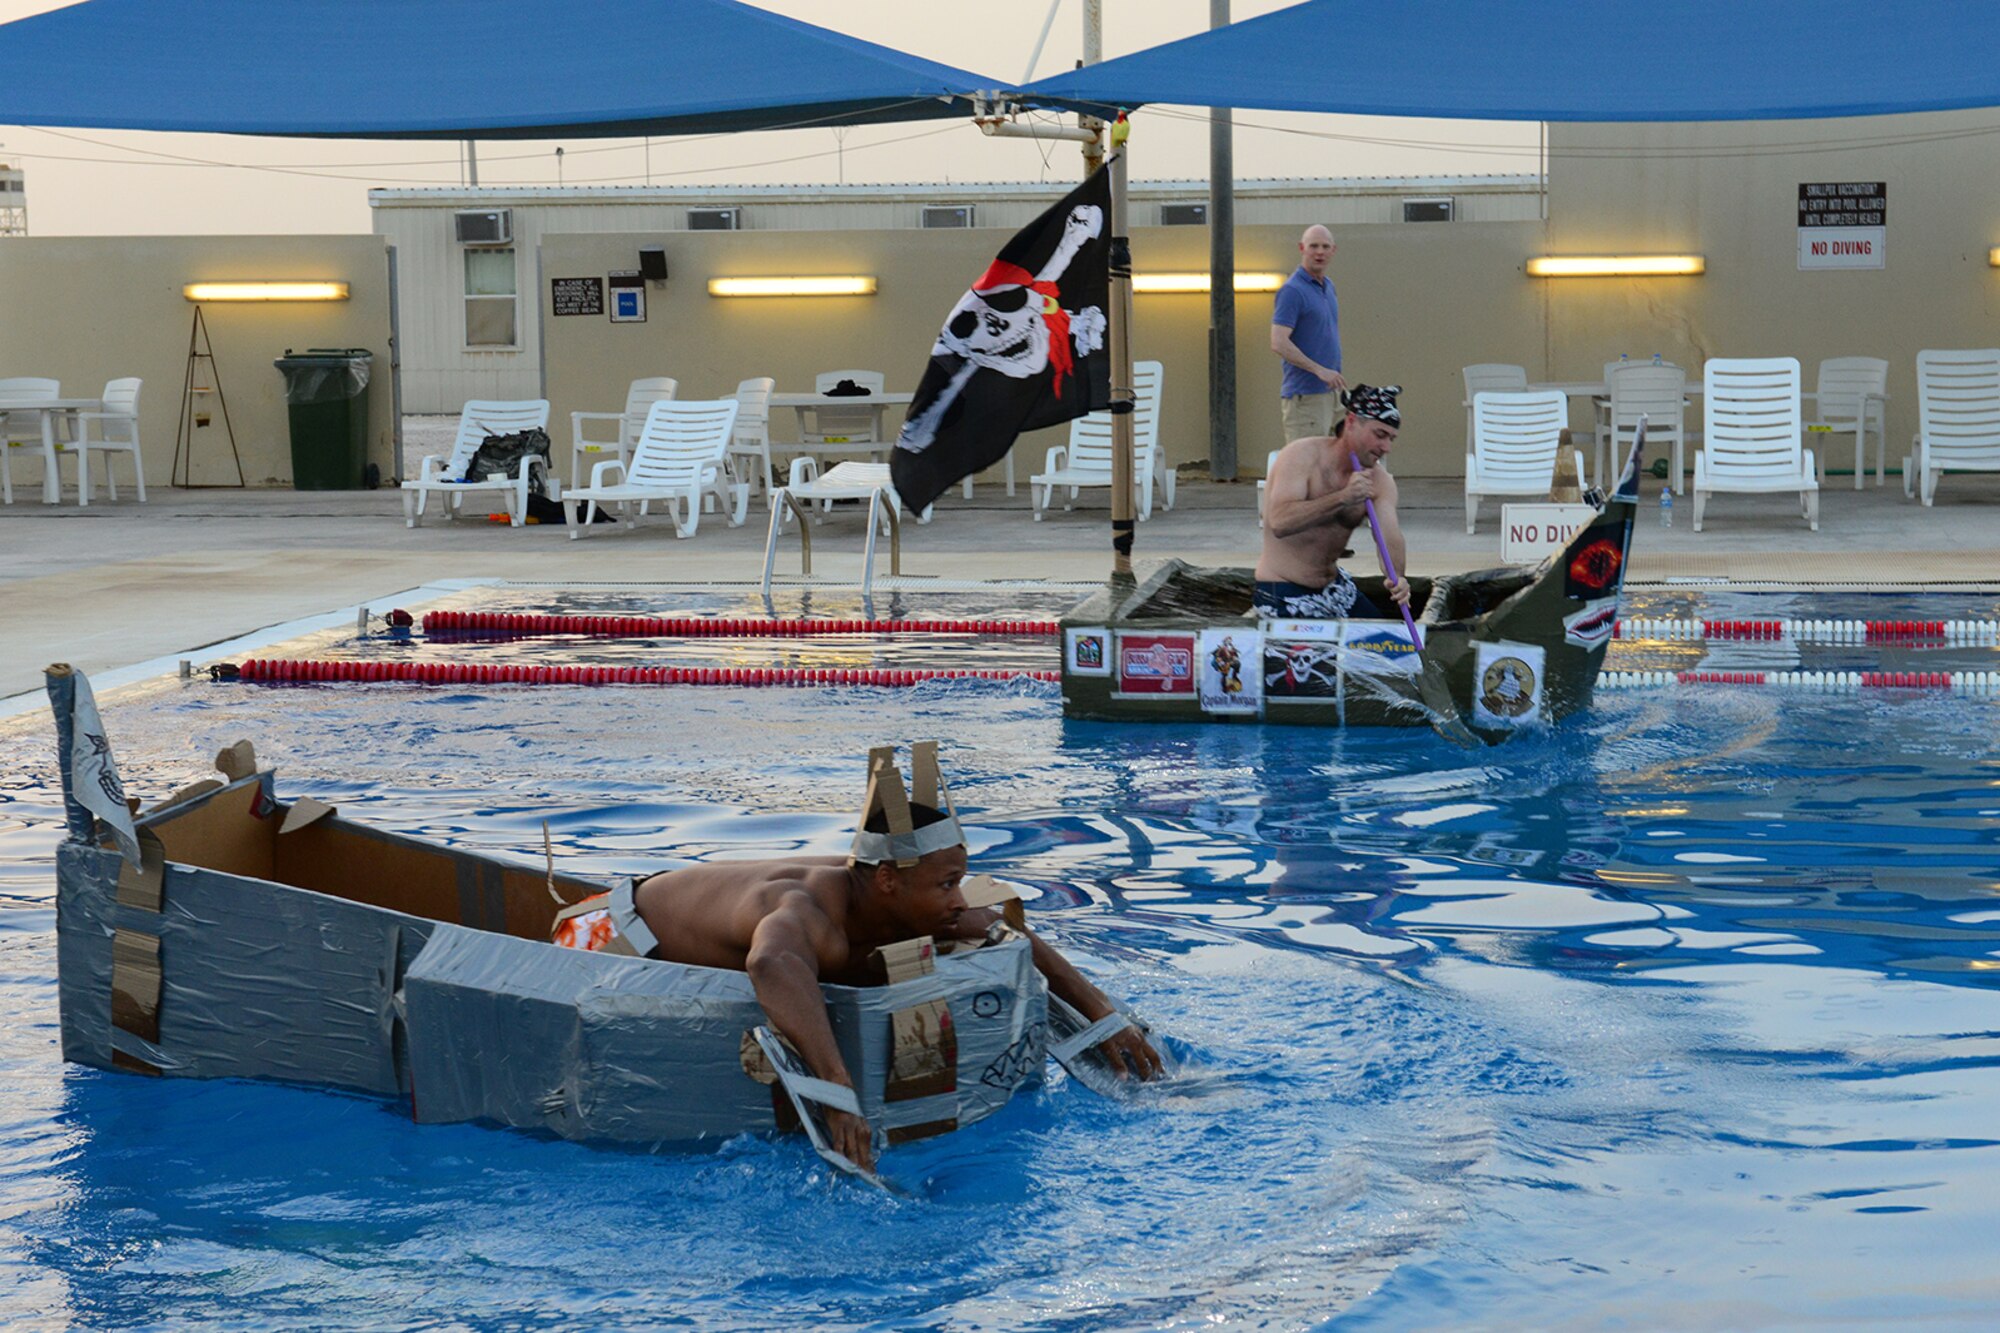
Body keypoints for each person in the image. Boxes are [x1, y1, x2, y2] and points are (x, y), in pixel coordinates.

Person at [553, 786, 1163, 1172]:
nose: (961, 897)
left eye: (960, 878)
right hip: (611, 935)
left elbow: (1002, 928)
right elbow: (769, 966)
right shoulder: (805, 911)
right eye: (947, 884)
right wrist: (838, 1096)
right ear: (889, 883)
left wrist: (1103, 1016)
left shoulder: (905, 896)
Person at [1255, 383, 1410, 620]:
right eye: (1379, 435)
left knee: (1390, 646)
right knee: (1327, 657)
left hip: (1334, 588)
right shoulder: (1300, 456)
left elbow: (1389, 537)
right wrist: (1342, 498)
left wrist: (1398, 577)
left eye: (1392, 439)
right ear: (1351, 423)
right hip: (1282, 589)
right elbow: (1279, 522)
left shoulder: (1379, 481)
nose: (1386, 447)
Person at [1271, 224, 1345, 443]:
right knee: (1307, 468)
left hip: (1331, 395)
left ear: (1334, 250)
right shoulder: (1292, 291)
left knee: (1333, 466)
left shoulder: (1328, 287)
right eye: (1314, 246)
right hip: (1305, 397)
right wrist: (1319, 370)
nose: (1319, 252)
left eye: (1325, 246)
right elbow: (1278, 342)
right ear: (1302, 248)